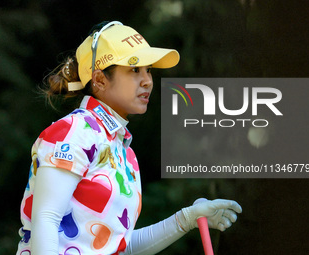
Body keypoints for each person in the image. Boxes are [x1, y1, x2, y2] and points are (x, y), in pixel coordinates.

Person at [16, 21, 242, 255]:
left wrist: (185, 220)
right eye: (134, 69)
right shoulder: (74, 132)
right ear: (100, 79)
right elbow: (46, 219)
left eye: (149, 70)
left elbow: (120, 247)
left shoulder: (125, 153)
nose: (147, 81)